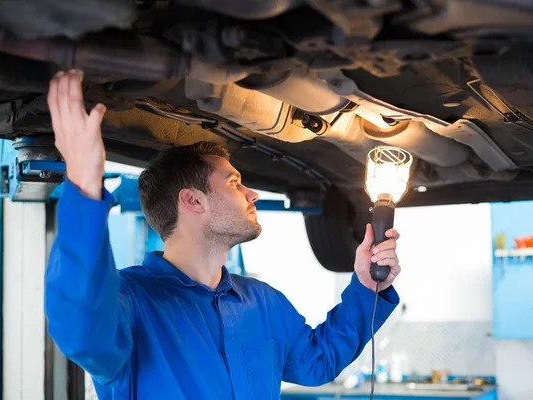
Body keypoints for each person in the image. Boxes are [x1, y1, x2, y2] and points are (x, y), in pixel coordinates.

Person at [44, 69, 402, 400]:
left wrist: (366, 288)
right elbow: (83, 331)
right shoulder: (132, 302)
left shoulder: (262, 302)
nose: (253, 194)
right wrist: (84, 186)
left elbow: (316, 361)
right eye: (234, 183)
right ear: (193, 201)